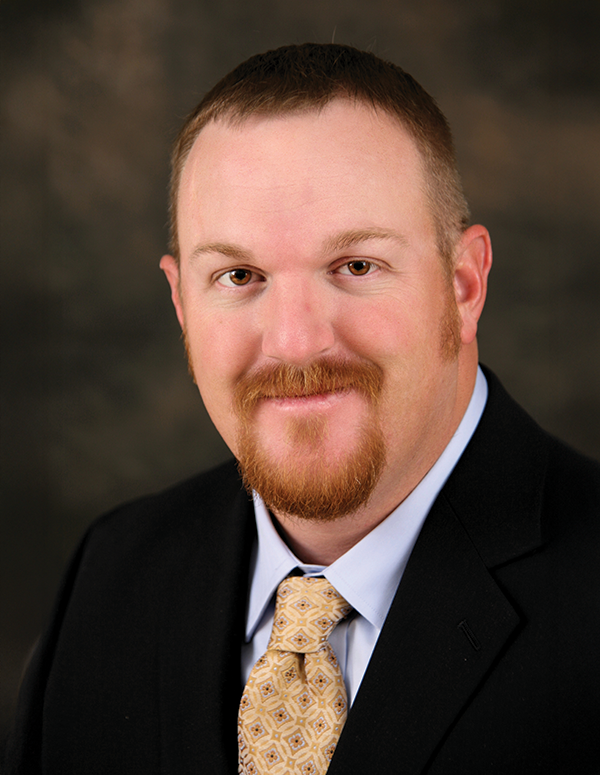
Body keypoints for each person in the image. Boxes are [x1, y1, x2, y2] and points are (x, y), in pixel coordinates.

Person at [5, 43, 600, 775]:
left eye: (356, 265)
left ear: (464, 285)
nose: (294, 342)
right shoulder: (111, 577)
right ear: (182, 305)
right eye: (239, 275)